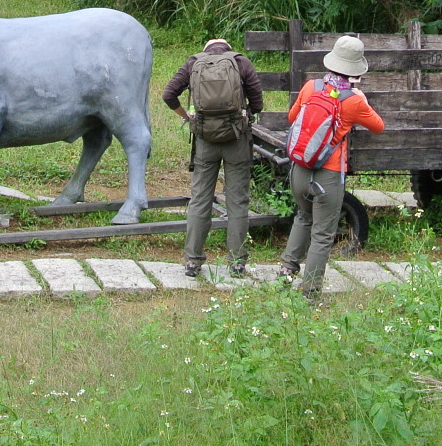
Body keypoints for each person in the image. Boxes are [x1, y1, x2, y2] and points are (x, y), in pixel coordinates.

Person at [279, 35, 385, 298]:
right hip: (327, 175)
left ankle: (286, 271)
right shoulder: (354, 101)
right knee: (323, 234)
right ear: (356, 70)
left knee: (303, 217)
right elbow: (378, 126)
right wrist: (363, 99)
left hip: (300, 168)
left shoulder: (311, 87)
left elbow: (292, 117)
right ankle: (311, 291)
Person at [162, 37, 264, 278]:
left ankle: (193, 261)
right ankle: (237, 262)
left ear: (207, 49)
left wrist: (187, 116)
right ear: (227, 49)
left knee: (200, 199)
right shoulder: (241, 63)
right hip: (236, 140)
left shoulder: (193, 63)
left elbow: (169, 95)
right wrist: (244, 116)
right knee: (237, 201)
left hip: (205, 140)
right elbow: (258, 103)